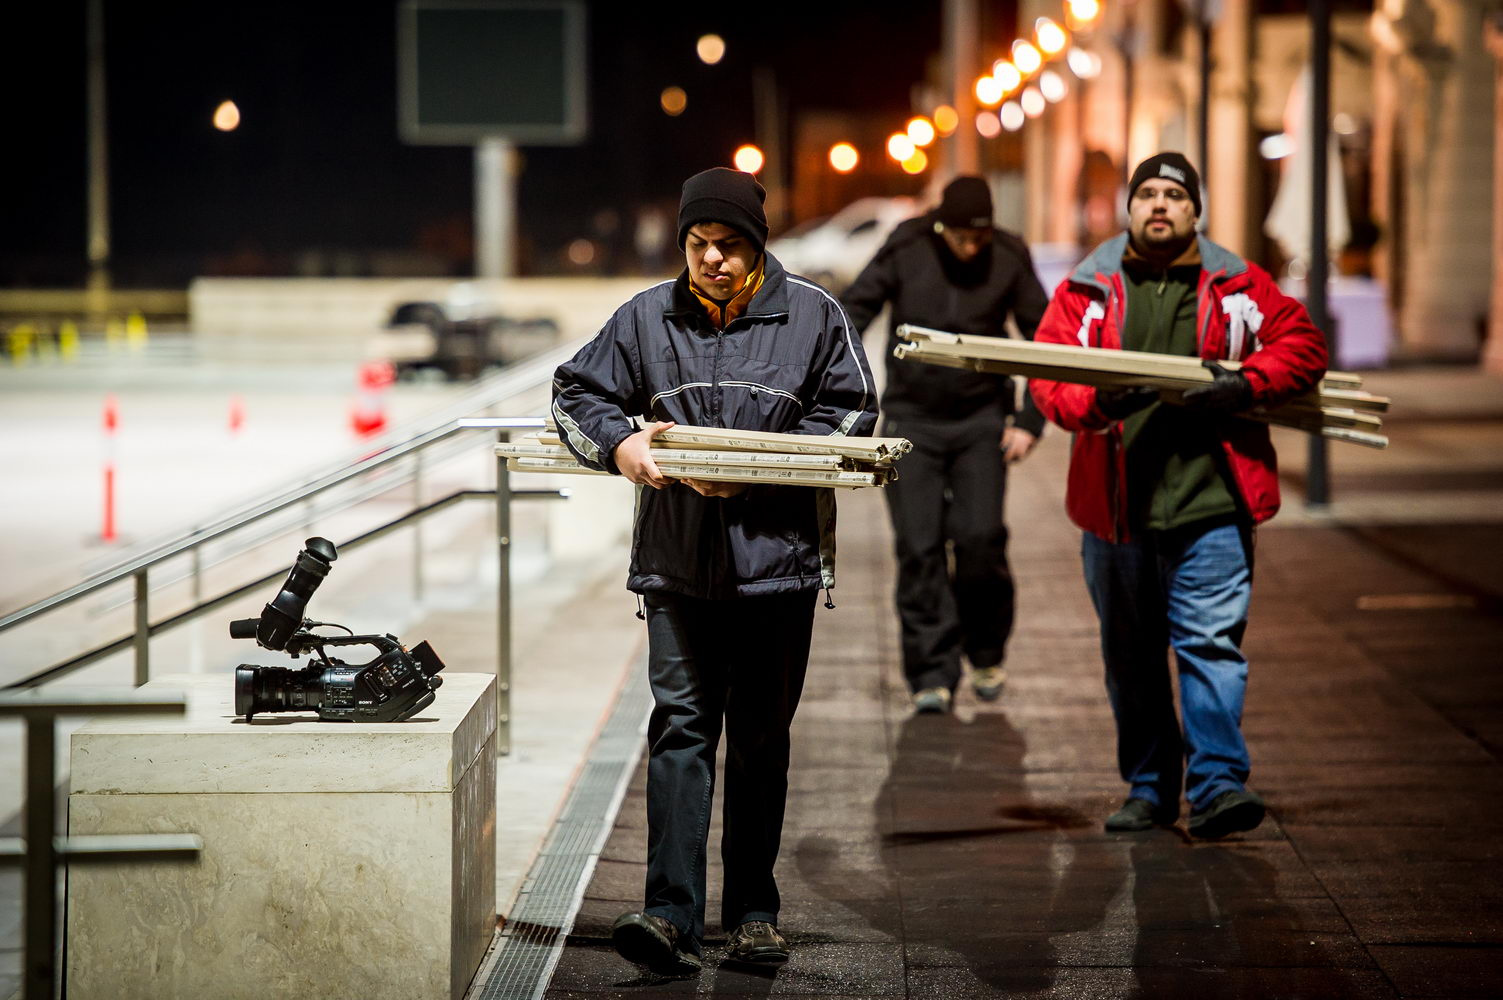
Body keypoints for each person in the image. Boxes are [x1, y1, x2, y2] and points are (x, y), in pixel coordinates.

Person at [552, 167, 878, 975]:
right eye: (698, 245)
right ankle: (669, 916)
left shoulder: (812, 316)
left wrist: (766, 470)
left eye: (728, 246)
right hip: (676, 567)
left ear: (757, 248)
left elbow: (856, 411)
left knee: (762, 739)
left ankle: (754, 913)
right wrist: (620, 444)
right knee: (681, 731)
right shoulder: (644, 318)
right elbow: (572, 394)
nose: (712, 261)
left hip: (778, 568)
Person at [1028, 152, 1328, 839]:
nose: (1158, 205)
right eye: (1146, 194)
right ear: (1128, 208)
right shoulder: (1087, 288)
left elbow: (1302, 345)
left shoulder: (1235, 283)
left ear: (1195, 210)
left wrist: (1246, 385)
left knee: (1209, 646)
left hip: (1210, 506)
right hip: (1116, 513)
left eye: (1173, 195)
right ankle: (1149, 787)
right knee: (1129, 657)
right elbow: (1046, 379)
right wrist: (1097, 401)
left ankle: (1218, 785)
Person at [843, 176, 1050, 713]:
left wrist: (1029, 420)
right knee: (919, 546)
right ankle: (931, 671)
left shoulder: (1007, 254)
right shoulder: (907, 245)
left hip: (983, 418)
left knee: (980, 539)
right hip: (914, 419)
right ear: (941, 226)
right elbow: (852, 314)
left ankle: (984, 650)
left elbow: (1047, 339)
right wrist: (847, 399)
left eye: (979, 237)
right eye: (960, 237)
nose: (970, 247)